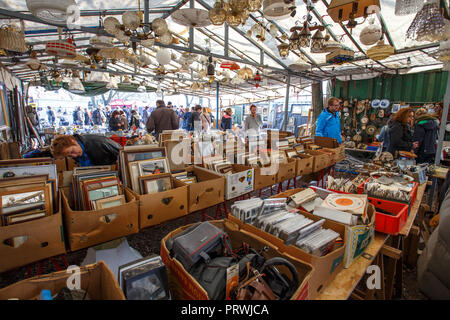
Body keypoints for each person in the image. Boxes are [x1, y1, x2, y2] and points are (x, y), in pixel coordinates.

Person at [50, 134, 121, 166]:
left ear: (73, 141)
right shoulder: (79, 151)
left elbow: (123, 154)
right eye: (69, 156)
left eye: (72, 151)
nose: (74, 155)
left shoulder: (100, 142)